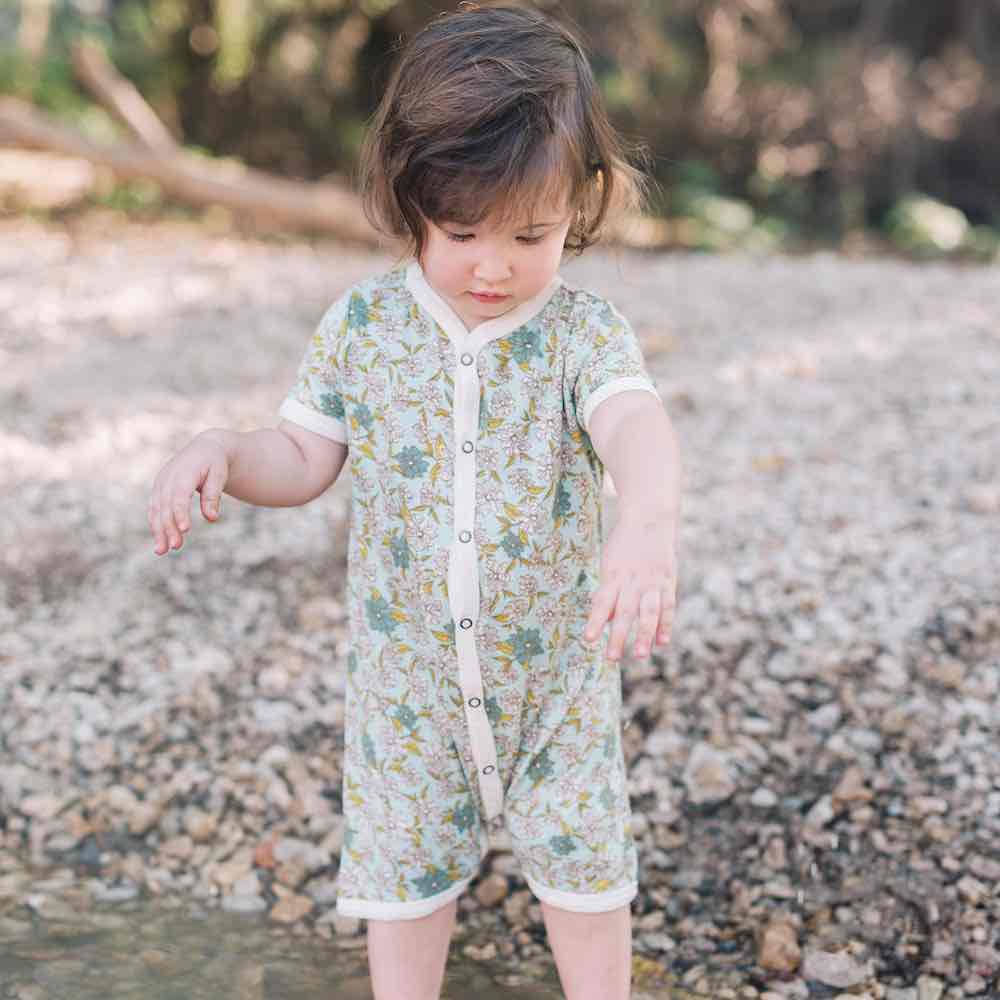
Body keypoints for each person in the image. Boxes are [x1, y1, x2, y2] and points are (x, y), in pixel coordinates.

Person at [148, 3, 682, 997]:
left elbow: (634, 429)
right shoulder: (363, 325)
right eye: (463, 230)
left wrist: (647, 525)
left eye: (532, 233)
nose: (494, 265)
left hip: (556, 693)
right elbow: (303, 456)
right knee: (400, 892)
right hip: (407, 702)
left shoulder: (581, 333)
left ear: (584, 199)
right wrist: (223, 448)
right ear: (408, 200)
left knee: (587, 881)